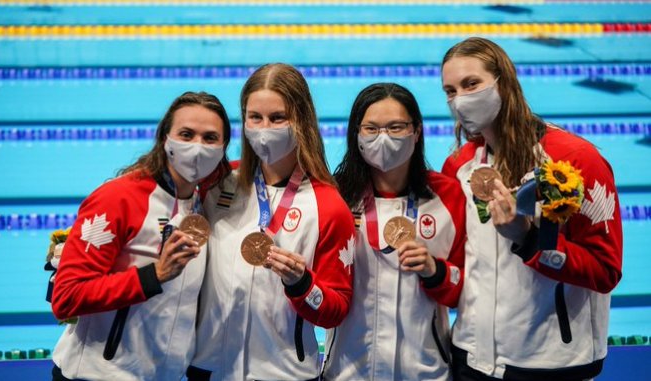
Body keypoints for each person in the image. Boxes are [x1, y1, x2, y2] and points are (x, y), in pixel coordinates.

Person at [440, 37, 623, 381]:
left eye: (471, 84)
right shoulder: (460, 166)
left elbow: (605, 270)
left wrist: (529, 239)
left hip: (550, 364)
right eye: (450, 91)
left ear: (503, 82)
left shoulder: (576, 160)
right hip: (471, 358)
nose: (460, 100)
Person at [187, 63, 356, 381]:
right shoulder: (219, 183)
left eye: (278, 118)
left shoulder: (328, 206)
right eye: (256, 118)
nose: (265, 129)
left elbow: (336, 309)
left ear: (302, 121)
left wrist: (302, 283)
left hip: (283, 373)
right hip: (207, 368)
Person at [50, 91, 232, 381]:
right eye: (186, 134)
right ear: (165, 139)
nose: (198, 147)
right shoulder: (118, 198)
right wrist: (154, 275)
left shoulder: (201, 204)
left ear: (223, 148)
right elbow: (67, 296)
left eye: (210, 138)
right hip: (96, 376)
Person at [323, 83, 466, 380]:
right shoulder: (335, 197)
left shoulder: (448, 196)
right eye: (371, 129)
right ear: (356, 135)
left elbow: (465, 289)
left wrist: (435, 271)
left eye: (396, 127)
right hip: (348, 371)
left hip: (425, 371)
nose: (383, 138)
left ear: (417, 131)